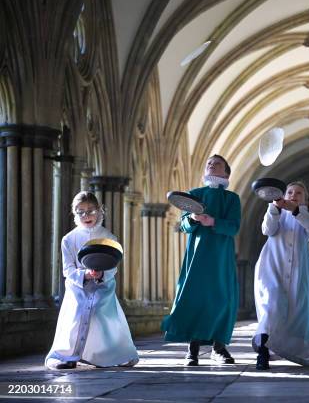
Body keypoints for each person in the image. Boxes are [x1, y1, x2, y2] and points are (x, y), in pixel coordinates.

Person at [161, 155, 241, 366]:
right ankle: (192, 348)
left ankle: (219, 347)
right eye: (209, 163)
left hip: (221, 256)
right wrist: (193, 219)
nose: (212, 164)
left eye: (217, 163)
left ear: (226, 173)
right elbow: (184, 225)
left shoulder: (232, 199)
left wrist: (213, 221)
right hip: (198, 255)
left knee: (222, 299)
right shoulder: (194, 195)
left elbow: (234, 227)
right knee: (194, 297)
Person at [45, 191, 138, 370]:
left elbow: (113, 265)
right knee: (76, 318)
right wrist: (84, 275)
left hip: (103, 287)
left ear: (100, 210)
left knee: (100, 316)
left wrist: (101, 274)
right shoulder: (68, 239)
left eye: (91, 210)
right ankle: (68, 356)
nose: (86, 216)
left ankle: (105, 356)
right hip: (77, 289)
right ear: (74, 214)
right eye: (81, 212)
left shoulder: (110, 238)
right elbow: (68, 269)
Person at [252, 181, 309, 370]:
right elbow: (267, 229)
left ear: (305, 200)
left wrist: (297, 211)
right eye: (290, 192)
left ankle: (292, 348)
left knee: (294, 310)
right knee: (271, 305)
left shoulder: (306, 217)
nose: (293, 195)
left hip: (298, 272)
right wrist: (274, 208)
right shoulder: (275, 213)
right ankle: (262, 352)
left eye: (299, 193)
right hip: (271, 268)